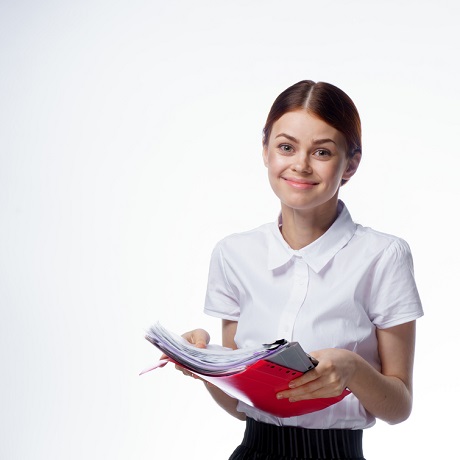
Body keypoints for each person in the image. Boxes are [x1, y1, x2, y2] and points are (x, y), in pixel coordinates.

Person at [177, 80, 423, 460]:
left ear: (351, 163)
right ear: (265, 150)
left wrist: (353, 369)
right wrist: (206, 365)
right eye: (286, 147)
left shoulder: (383, 256)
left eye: (322, 151)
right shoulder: (233, 254)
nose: (301, 165)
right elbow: (241, 406)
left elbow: (399, 406)